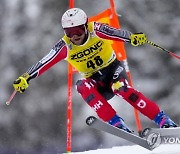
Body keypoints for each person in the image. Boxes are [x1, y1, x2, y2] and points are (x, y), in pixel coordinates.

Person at [13, 8, 177, 133]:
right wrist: (25, 78)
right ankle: (117, 124)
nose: (75, 36)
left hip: (113, 69)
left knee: (122, 89)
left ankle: (163, 120)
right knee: (81, 85)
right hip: (95, 81)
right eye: (69, 32)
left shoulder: (95, 29)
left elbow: (116, 33)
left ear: (85, 26)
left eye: (77, 30)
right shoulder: (65, 46)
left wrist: (132, 38)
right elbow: (44, 62)